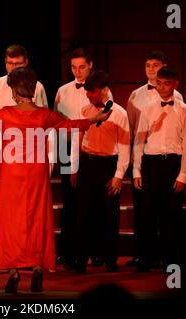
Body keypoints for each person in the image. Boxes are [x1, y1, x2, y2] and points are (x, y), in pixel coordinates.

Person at [0, 67, 112, 293]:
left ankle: (14, 270)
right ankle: (36, 267)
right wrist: (95, 118)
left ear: (15, 92)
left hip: (12, 173)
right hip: (36, 173)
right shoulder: (44, 114)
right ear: (33, 90)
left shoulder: (6, 113)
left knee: (10, 221)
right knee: (37, 217)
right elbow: (71, 126)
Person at [0, 44, 49, 264]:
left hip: (30, 157)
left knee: (30, 208)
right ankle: (2, 252)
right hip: (4, 156)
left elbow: (43, 123)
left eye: (17, 64)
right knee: (3, 206)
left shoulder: (38, 87)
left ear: (26, 63)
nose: (13, 68)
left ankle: (31, 255)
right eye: (9, 63)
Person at [54, 48, 113, 268]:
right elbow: (56, 123)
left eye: (81, 67)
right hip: (69, 146)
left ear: (90, 66)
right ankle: (69, 252)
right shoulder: (62, 91)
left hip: (94, 150)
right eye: (73, 67)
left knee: (95, 205)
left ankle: (96, 252)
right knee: (70, 203)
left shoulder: (103, 91)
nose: (77, 72)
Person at [132, 66, 186, 272]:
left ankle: (170, 259)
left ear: (175, 84)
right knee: (147, 214)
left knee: (171, 215)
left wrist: (183, 174)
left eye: (167, 84)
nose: (163, 88)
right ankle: (146, 258)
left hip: (172, 164)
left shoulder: (184, 110)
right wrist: (136, 171)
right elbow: (139, 141)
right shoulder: (147, 108)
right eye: (159, 83)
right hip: (151, 163)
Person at [71, 70, 130, 273]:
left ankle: (110, 259)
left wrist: (118, 176)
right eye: (88, 92)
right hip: (87, 164)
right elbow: (77, 140)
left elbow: (124, 146)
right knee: (83, 215)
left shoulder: (120, 113)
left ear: (104, 90)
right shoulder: (85, 110)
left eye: (93, 93)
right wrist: (74, 167)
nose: (89, 96)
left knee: (109, 216)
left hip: (108, 166)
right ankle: (80, 260)